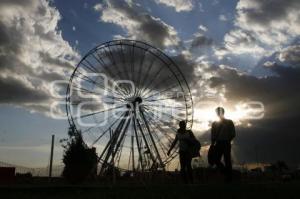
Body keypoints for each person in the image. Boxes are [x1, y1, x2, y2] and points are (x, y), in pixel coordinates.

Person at [211, 107, 236, 182]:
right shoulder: (215, 123)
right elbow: (213, 135)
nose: (218, 114)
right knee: (217, 159)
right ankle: (227, 172)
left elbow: (233, 134)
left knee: (226, 160)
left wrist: (227, 141)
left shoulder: (229, 122)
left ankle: (228, 177)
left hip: (225, 143)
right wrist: (212, 144)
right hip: (219, 143)